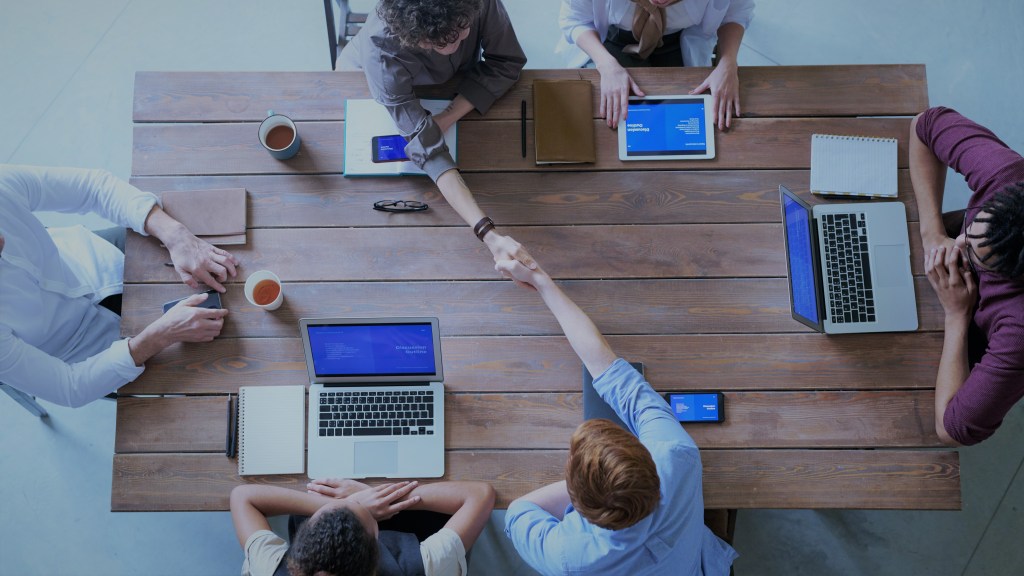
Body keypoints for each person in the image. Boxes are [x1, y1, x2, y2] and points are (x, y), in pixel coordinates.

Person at [497, 256, 737, 575]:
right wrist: (541, 280)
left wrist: (540, 280)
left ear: (576, 505)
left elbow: (517, 513)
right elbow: (613, 373)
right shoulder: (675, 455)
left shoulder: (568, 557)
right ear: (646, 459)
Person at [0, 164, 238, 407]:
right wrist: (160, 335)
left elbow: (92, 188)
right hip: (91, 352)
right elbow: (68, 387)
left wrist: (175, 236)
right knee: (204, 386)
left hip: (98, 256)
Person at [338, 0, 534, 271]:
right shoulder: (381, 51)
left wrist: (448, 116)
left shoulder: (478, 3)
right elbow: (429, 149)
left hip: (451, 84)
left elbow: (507, 61)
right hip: (370, 81)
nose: (452, 47)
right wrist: (488, 234)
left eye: (462, 31)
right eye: (438, 44)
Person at [909, 106, 1024, 446]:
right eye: (972, 231)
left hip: (966, 322)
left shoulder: (1018, 329)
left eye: (974, 253)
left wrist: (957, 314)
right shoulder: (1008, 175)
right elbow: (924, 124)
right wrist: (932, 234)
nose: (959, 242)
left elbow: (952, 429)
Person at [230, 478, 495, 576]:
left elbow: (243, 496)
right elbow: (480, 494)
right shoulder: (428, 566)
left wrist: (355, 503)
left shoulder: (268, 567)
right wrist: (380, 497)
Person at [557, 0, 755, 130]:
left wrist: (728, 62)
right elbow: (575, 20)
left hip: (677, 40)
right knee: (615, 119)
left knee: (685, 122)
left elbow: (734, 14)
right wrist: (606, 64)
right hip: (614, 39)